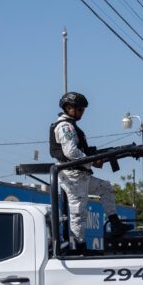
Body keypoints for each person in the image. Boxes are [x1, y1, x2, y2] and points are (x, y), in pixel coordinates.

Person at [50, 91, 130, 254]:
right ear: (68, 108)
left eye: (82, 110)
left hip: (80, 174)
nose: (81, 113)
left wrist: (93, 157)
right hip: (73, 175)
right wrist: (93, 160)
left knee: (105, 187)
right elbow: (71, 151)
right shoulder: (65, 126)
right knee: (79, 212)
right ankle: (79, 248)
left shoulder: (71, 125)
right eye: (78, 109)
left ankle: (115, 223)